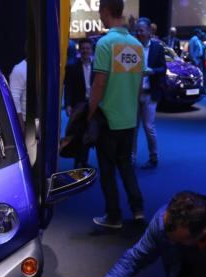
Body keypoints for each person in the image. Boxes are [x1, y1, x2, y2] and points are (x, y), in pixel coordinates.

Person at [87, 0, 144, 229]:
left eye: (100, 12)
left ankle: (114, 216)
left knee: (108, 171)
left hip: (108, 120)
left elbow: (99, 84)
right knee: (126, 166)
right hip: (129, 119)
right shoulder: (137, 46)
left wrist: (89, 114)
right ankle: (138, 211)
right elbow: (139, 85)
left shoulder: (105, 44)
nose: (100, 16)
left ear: (106, 11)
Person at [133, 18, 165, 170]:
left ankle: (154, 157)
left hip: (150, 93)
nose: (139, 33)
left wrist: (152, 71)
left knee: (148, 126)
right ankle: (131, 158)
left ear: (149, 31)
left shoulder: (157, 47)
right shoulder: (132, 47)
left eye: (141, 30)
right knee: (133, 127)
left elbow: (163, 69)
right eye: (137, 30)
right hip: (133, 94)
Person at [64, 39, 94, 168]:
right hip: (78, 104)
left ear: (91, 50)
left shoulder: (97, 66)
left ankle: (84, 161)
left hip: (93, 104)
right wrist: (68, 104)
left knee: (89, 133)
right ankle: (77, 161)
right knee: (77, 133)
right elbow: (68, 87)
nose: (85, 51)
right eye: (83, 48)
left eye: (88, 48)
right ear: (79, 50)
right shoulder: (72, 67)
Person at [9, 57, 28, 127]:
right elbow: (14, 100)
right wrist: (21, 128)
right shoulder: (20, 69)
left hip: (39, 120)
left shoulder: (41, 69)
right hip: (26, 122)